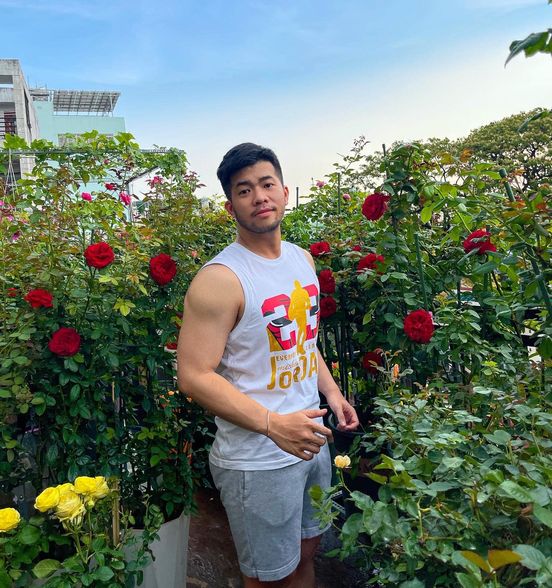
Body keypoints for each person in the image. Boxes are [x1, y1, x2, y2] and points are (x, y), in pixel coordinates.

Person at [177, 143, 358, 588]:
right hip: (256, 459)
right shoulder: (221, 280)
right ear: (230, 206)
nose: (259, 196)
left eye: (266, 184)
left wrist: (332, 393)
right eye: (244, 190)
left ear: (284, 192)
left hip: (310, 439)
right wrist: (272, 424)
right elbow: (193, 376)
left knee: (307, 553)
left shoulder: (301, 260)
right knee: (269, 578)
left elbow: (301, 341)